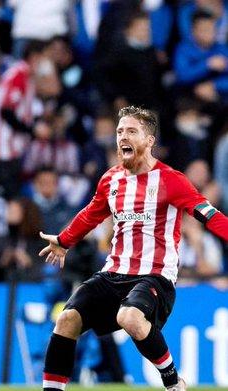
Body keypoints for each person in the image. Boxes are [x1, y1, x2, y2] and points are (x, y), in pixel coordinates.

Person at [38, 106, 228, 391]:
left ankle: (173, 381)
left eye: (131, 131)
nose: (122, 137)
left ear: (149, 140)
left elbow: (208, 214)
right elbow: (92, 213)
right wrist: (64, 241)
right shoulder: (111, 179)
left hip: (155, 276)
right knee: (66, 320)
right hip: (113, 273)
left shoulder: (171, 180)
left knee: (129, 317)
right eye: (119, 131)